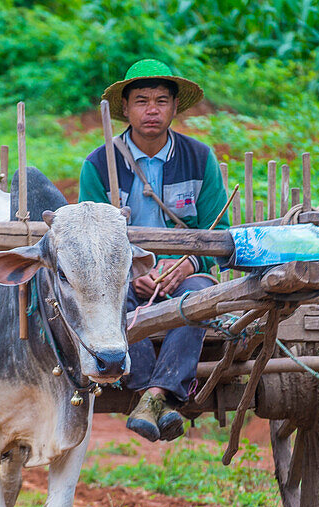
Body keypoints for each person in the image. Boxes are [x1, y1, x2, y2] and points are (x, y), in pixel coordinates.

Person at [79, 59, 229, 442]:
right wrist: (132, 271)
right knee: (112, 302)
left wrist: (187, 263)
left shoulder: (200, 158)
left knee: (199, 297)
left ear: (174, 108)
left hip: (184, 275)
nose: (151, 110)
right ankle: (159, 392)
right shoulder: (98, 165)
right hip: (123, 278)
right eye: (142, 100)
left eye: (161, 101)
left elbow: (218, 233)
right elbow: (91, 239)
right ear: (125, 109)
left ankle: (151, 397)